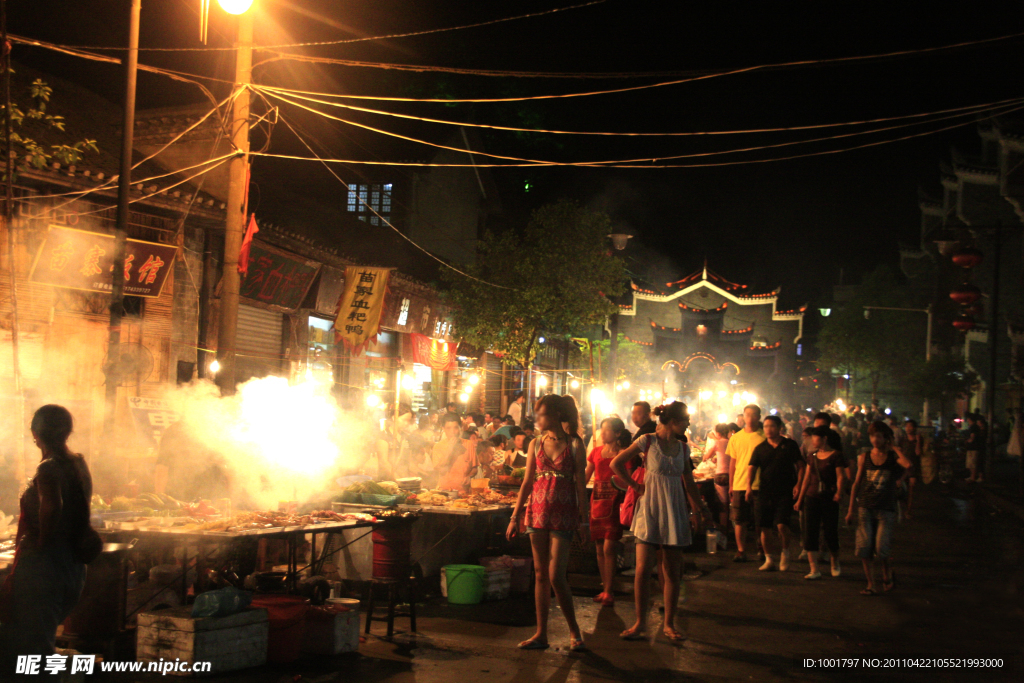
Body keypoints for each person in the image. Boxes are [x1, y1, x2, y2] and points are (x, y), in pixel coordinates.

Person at [0, 406, 96, 661]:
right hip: (73, 566)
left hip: (45, 569)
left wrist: (40, 543)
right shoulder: (79, 462)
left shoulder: (48, 468)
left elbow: (53, 507)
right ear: (67, 432)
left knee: (34, 646)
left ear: (35, 434)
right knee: (43, 640)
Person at [611, 402, 712, 642]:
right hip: (650, 508)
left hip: (674, 509)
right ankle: (639, 622)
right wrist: (635, 486)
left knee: (672, 571)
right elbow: (615, 464)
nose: (688, 424)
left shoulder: (683, 448)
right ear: (673, 421)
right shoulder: (647, 441)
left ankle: (669, 624)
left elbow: (688, 482)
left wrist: (700, 509)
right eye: (685, 420)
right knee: (643, 569)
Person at [506, 395, 588, 652]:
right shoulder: (535, 443)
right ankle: (541, 634)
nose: (537, 418)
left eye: (540, 413)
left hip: (564, 513)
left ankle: (574, 631)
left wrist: (584, 522)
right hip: (537, 512)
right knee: (540, 574)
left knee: (556, 575)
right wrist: (515, 516)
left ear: (553, 415)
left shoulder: (575, 444)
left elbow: (580, 486)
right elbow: (528, 481)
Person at [846, 421, 912, 595]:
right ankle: (870, 584)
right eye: (872, 435)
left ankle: (887, 573)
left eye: (879, 436)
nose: (875, 439)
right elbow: (856, 483)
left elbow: (908, 465)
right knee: (864, 547)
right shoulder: (864, 457)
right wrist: (850, 508)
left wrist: (895, 448)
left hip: (886, 508)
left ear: (886, 438)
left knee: (881, 549)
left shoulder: (892, 457)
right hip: (865, 507)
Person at [746, 415, 805, 572]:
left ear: (780, 428)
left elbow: (801, 466)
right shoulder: (760, 448)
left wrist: (799, 484)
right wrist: (748, 487)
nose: (768, 429)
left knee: (781, 525)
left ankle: (785, 553)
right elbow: (751, 468)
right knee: (764, 526)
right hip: (764, 491)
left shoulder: (789, 445)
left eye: (771, 426)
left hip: (785, 490)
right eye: (765, 426)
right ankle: (769, 558)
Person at [584, 417, 630, 607]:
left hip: (614, 504)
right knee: (598, 548)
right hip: (596, 504)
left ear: (618, 434)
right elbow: (587, 474)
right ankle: (605, 588)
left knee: (609, 547)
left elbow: (627, 479)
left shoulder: (624, 454)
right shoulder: (595, 452)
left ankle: (610, 590)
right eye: (602, 429)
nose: (602, 433)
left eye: (607, 430)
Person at [795, 426, 847, 579]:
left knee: (830, 532)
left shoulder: (836, 455)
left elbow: (841, 477)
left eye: (815, 437)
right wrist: (800, 499)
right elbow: (806, 478)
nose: (812, 440)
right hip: (812, 497)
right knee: (810, 532)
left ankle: (834, 562)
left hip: (829, 497)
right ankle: (814, 569)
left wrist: (838, 492)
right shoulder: (812, 455)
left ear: (824, 438)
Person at [727, 404, 765, 562]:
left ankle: (762, 547)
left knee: (760, 520)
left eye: (753, 415)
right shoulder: (736, 437)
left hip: (760, 484)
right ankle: (741, 550)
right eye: (747, 415)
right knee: (739, 519)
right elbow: (733, 463)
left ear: (758, 417)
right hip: (739, 483)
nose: (749, 418)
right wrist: (731, 484)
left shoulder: (764, 436)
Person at [704, 423, 732, 530]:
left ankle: (723, 530)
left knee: (722, 505)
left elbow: (706, 457)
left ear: (718, 433)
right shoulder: (731, 442)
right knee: (731, 503)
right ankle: (732, 529)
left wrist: (710, 456)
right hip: (732, 476)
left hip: (720, 476)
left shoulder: (717, 443)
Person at [897, 420, 922, 518]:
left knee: (911, 489)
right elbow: (899, 452)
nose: (908, 428)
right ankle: (904, 507)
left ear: (914, 428)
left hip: (913, 467)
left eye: (910, 426)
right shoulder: (902, 439)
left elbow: (918, 453)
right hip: (902, 467)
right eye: (906, 426)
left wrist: (918, 441)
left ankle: (908, 511)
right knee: (902, 488)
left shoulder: (918, 439)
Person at [965, 413, 985, 483]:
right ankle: (972, 477)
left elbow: (972, 437)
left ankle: (972, 477)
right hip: (975, 447)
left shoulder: (973, 427)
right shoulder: (975, 427)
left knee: (972, 464)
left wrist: (968, 440)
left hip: (973, 448)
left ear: (969, 419)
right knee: (972, 463)